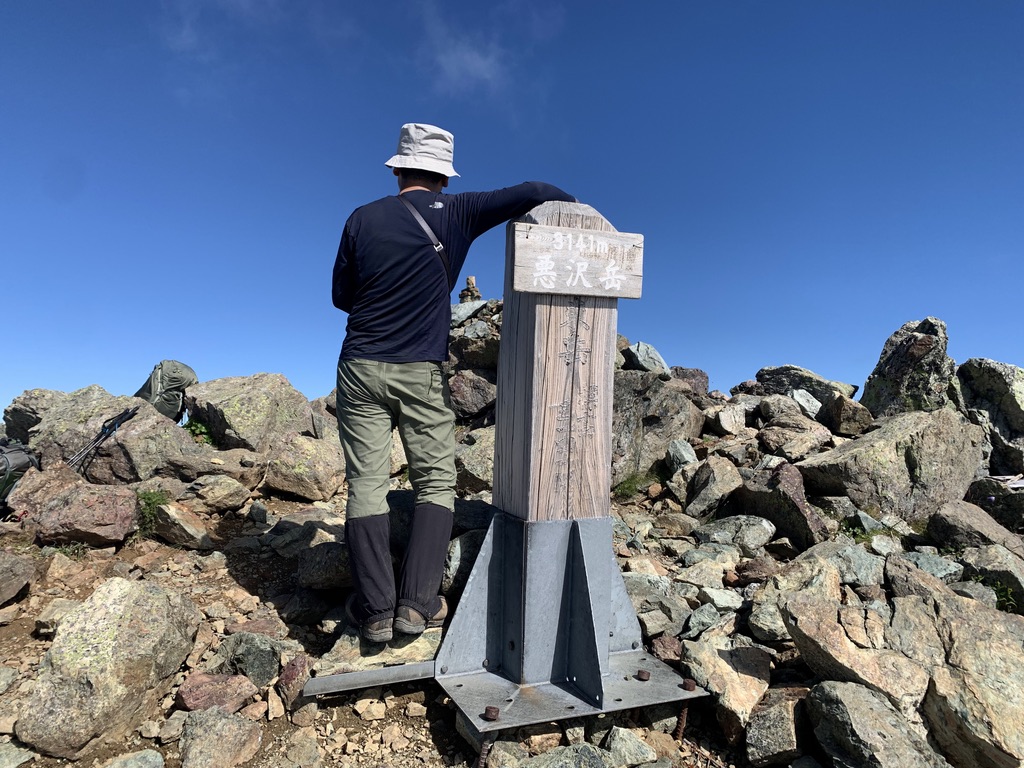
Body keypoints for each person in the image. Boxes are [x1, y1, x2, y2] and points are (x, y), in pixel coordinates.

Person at [332, 123, 574, 642]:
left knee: (366, 483)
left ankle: (374, 609)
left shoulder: (361, 217)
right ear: (443, 176)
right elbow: (534, 192)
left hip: (358, 366)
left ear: (397, 168)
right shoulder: (460, 211)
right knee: (436, 481)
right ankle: (417, 605)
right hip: (420, 367)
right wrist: (578, 213)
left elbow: (341, 297)